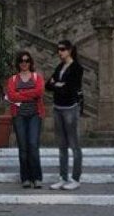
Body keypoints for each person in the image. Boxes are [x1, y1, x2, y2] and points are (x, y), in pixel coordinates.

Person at [45, 39, 84, 190]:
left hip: (70, 108)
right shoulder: (60, 66)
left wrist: (57, 84)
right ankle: (63, 177)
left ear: (69, 50)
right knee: (61, 145)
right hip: (57, 107)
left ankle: (75, 178)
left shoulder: (76, 67)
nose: (59, 52)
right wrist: (58, 85)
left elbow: (70, 89)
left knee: (74, 144)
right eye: (58, 49)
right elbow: (48, 85)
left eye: (62, 49)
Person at [6, 50, 45, 188]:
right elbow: (11, 96)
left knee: (33, 145)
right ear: (18, 63)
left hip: (35, 115)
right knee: (23, 147)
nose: (24, 63)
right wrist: (30, 95)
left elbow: (39, 92)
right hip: (19, 116)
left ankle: (37, 177)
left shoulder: (36, 77)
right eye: (22, 61)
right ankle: (26, 178)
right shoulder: (12, 80)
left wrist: (21, 94)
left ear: (30, 62)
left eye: (27, 60)